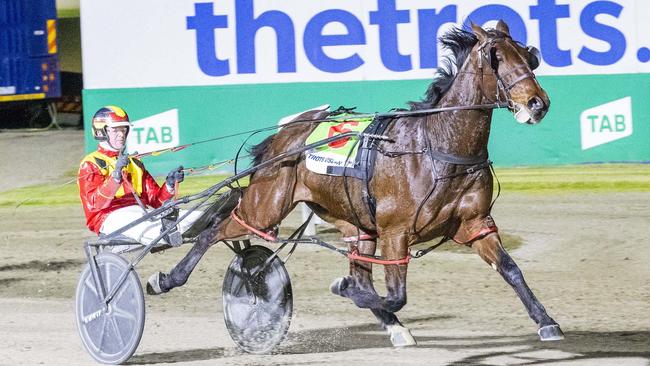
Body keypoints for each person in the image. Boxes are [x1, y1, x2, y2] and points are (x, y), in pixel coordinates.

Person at [78, 105, 201, 253]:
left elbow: (156, 201)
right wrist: (116, 176)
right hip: (109, 217)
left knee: (198, 216)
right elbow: (95, 205)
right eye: (116, 130)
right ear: (101, 131)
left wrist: (169, 185)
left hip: (140, 213)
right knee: (148, 227)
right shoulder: (91, 163)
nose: (121, 135)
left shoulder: (135, 163)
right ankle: (167, 232)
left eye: (123, 130)